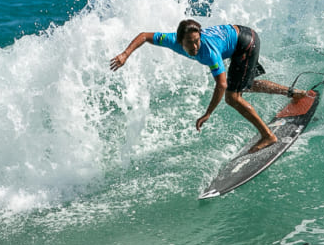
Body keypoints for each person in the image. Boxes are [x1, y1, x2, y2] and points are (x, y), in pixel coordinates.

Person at [110, 20, 308, 152]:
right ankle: (294, 93)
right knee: (243, 85)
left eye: (197, 41)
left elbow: (221, 85)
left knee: (232, 97)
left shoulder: (209, 52)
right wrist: (125, 54)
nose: (195, 47)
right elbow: (144, 36)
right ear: (179, 41)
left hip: (246, 43)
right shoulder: (170, 40)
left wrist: (207, 113)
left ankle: (268, 136)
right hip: (240, 36)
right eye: (190, 43)